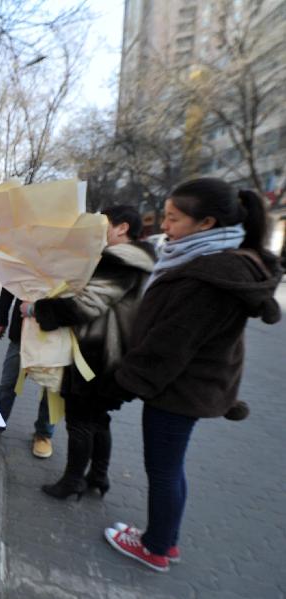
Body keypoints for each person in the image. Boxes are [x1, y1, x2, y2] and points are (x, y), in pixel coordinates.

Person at [99, 178, 282, 572]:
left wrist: (123, 385)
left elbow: (170, 344)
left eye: (174, 218)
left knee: (163, 469)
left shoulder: (209, 275)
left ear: (206, 223)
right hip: (191, 386)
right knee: (170, 467)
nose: (165, 226)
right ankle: (167, 540)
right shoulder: (209, 260)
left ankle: (154, 548)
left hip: (178, 390)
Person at [21, 206, 156, 500]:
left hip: (95, 355)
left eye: (102, 224)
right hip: (113, 354)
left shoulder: (119, 260)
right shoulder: (137, 261)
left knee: (80, 421)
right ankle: (98, 477)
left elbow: (86, 307)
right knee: (99, 420)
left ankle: (72, 482)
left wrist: (36, 308)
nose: (95, 230)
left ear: (122, 228)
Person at [0, 287, 55, 459]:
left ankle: (43, 434)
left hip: (55, 336)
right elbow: (9, 285)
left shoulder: (71, 261)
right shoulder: (24, 260)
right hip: (21, 334)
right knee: (8, 382)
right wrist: (1, 320)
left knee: (51, 388)